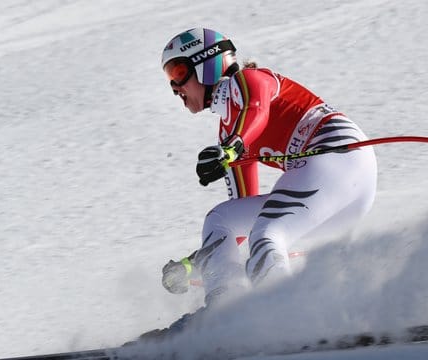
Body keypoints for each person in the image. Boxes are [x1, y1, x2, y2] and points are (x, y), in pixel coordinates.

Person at [156, 27, 377, 331]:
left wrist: (232, 148)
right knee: (221, 218)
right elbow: (238, 223)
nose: (175, 88)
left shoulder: (248, 81)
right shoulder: (227, 133)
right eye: (170, 78)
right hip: (333, 190)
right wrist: (196, 261)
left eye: (178, 72)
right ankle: (226, 311)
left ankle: (288, 318)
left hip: (338, 156)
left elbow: (256, 111)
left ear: (209, 63)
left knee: (267, 234)